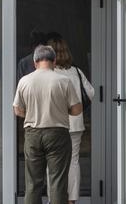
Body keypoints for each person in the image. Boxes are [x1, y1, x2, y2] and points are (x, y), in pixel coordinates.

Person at [13, 44, 82, 204]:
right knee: (58, 182)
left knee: (33, 183)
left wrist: (31, 114)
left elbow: (17, 109)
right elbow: (77, 109)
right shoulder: (63, 81)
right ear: (54, 60)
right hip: (58, 133)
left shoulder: (25, 81)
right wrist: (63, 111)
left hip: (33, 133)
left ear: (35, 62)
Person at [49, 36, 95, 203]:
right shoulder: (76, 71)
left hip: (54, 124)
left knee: (53, 163)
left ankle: (55, 198)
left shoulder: (49, 73)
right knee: (73, 162)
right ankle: (72, 200)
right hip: (75, 123)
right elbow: (91, 93)